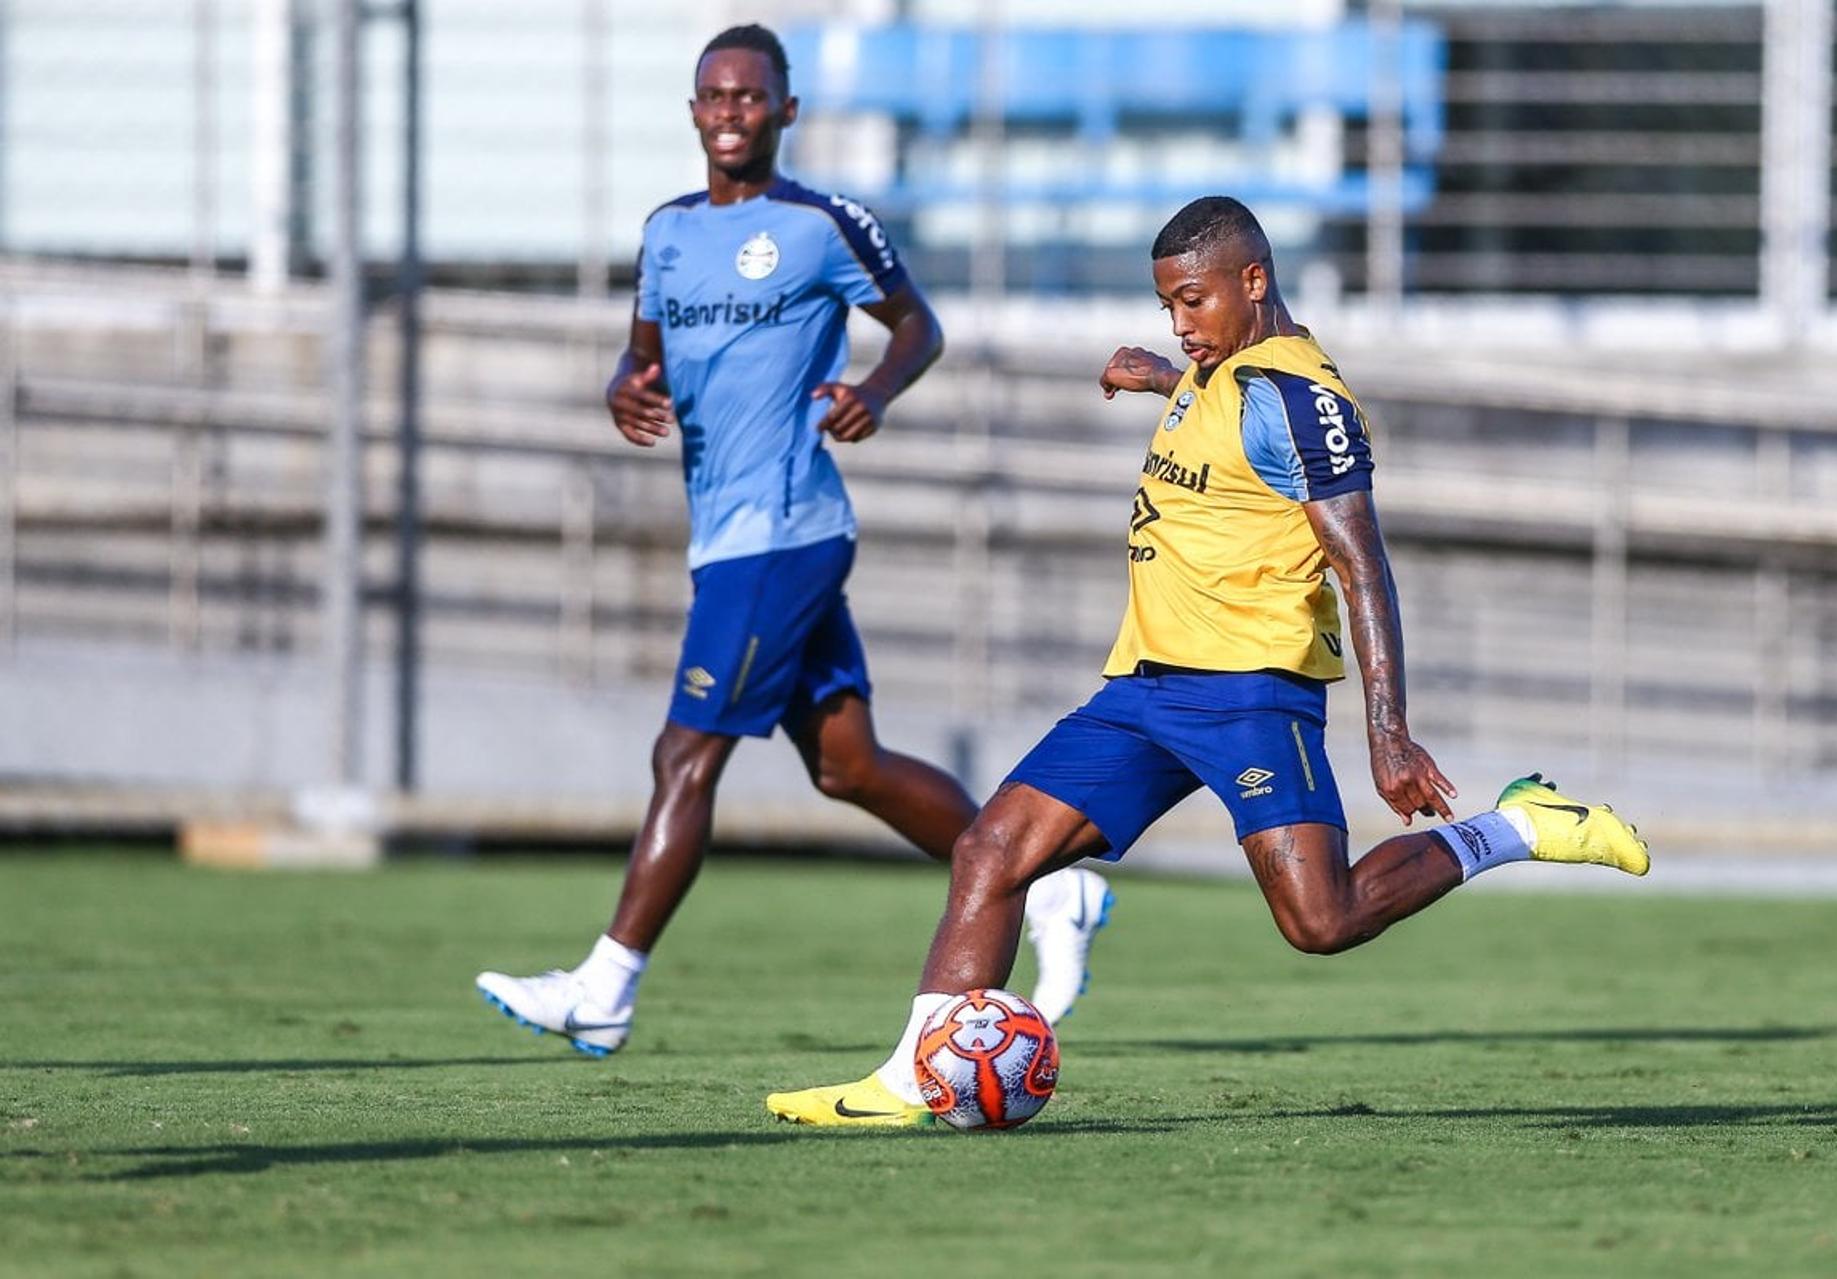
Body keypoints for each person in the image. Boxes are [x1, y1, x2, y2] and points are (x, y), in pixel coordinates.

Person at [766, 195, 1648, 1127]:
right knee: (990, 849)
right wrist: (1160, 377)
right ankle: (910, 1082)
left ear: (1254, 282)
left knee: (1323, 920)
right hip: (1143, 690)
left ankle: (1516, 827)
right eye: (1167, 309)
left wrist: (1388, 735)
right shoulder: (1217, 368)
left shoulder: (1301, 400)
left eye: (1193, 302)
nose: (1181, 325)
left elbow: (1362, 564)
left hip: (1250, 696)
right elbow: (1216, 412)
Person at [475, 24, 1112, 1057]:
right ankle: (1046, 888)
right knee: (849, 765)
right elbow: (639, 356)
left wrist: (874, 391)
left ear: (786, 111)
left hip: (786, 533)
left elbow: (920, 327)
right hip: (726, 533)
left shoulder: (821, 223)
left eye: (750, 96)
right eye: (714, 97)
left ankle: (606, 987)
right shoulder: (667, 231)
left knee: (685, 751)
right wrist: (620, 387)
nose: (731, 113)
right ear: (693, 113)